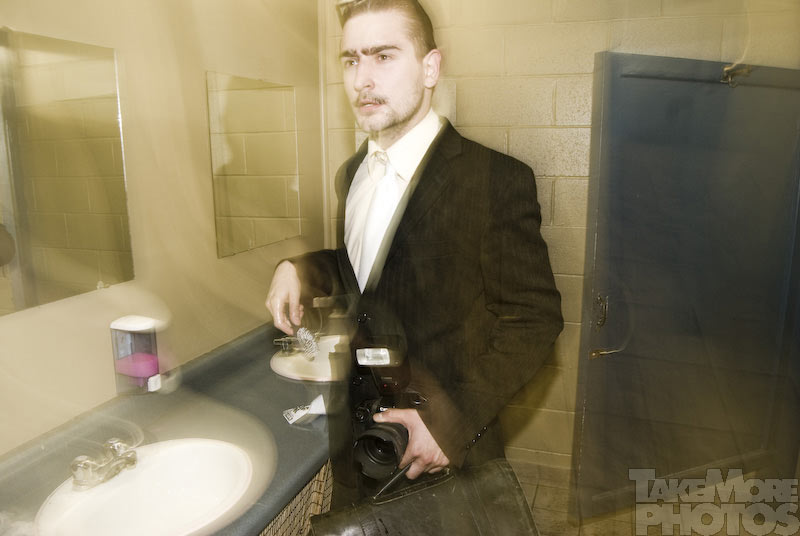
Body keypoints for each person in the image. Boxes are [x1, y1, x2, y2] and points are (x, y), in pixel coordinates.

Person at [266, 0, 563, 503]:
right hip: (360, 450)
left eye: (384, 56)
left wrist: (452, 423)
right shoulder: (352, 174)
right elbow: (362, 272)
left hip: (444, 461)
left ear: (430, 68)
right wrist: (297, 269)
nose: (362, 79)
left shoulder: (494, 180)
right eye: (351, 60)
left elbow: (534, 319)